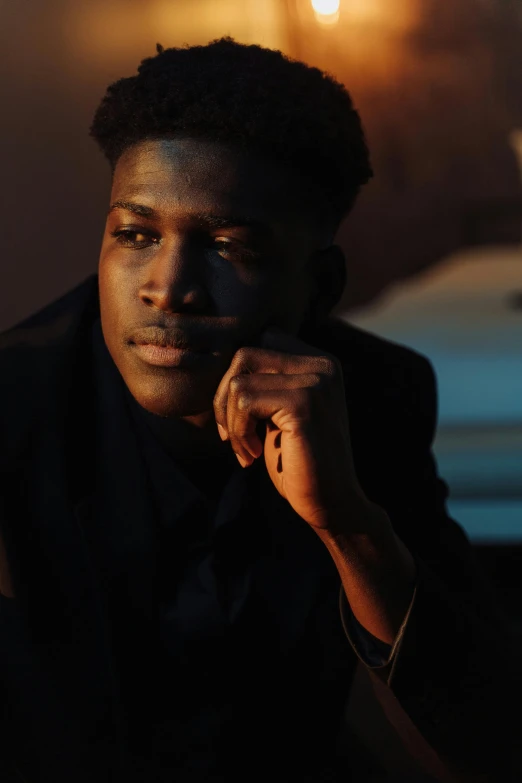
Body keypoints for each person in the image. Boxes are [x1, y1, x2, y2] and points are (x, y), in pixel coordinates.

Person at [0, 38, 518, 783]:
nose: (168, 287)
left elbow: (486, 747)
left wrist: (348, 523)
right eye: (136, 235)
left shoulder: (376, 397)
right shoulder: (14, 410)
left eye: (228, 247)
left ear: (322, 285)